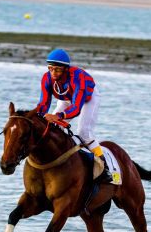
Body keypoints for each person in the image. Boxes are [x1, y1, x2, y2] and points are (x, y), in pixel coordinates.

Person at [35, 48, 111, 183]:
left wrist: (59, 116)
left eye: (57, 69)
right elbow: (43, 104)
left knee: (84, 132)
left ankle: (104, 168)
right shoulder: (46, 78)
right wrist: (34, 116)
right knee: (51, 127)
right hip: (66, 98)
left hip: (88, 98)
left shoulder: (78, 77)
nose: (53, 73)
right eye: (50, 68)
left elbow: (76, 108)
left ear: (65, 69)